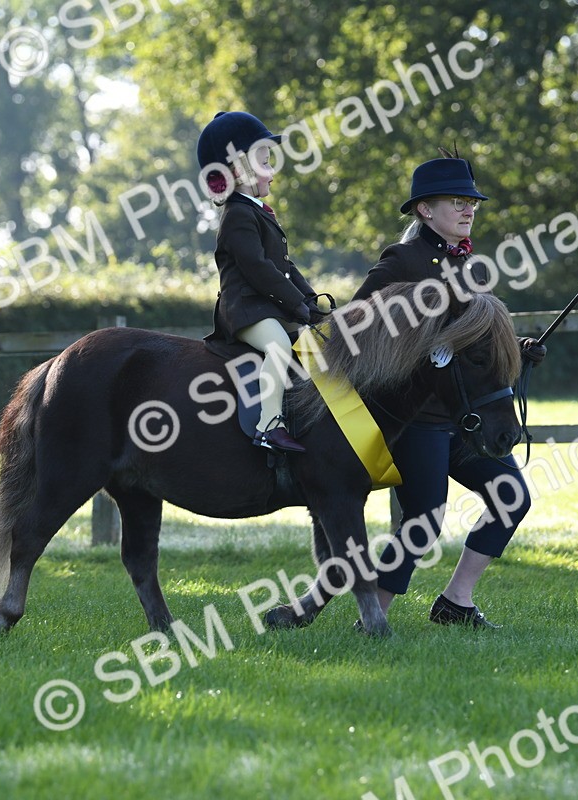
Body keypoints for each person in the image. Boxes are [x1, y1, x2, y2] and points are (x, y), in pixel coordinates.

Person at [353, 154, 546, 629]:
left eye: (471, 202)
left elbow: (472, 337)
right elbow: (354, 328)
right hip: (418, 416)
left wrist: (517, 350)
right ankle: (372, 617)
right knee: (423, 521)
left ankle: (456, 601)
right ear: (424, 210)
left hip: (464, 415)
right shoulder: (402, 261)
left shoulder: (470, 263)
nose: (468, 209)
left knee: (511, 495)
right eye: (457, 202)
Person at [198, 111, 326, 453]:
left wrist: (312, 301)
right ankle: (269, 424)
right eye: (266, 162)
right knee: (280, 347)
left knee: (315, 346)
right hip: (244, 311)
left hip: (265, 307)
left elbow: (284, 266)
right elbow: (258, 269)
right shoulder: (238, 215)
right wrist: (295, 304)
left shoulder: (257, 211)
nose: (272, 171)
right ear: (239, 170)